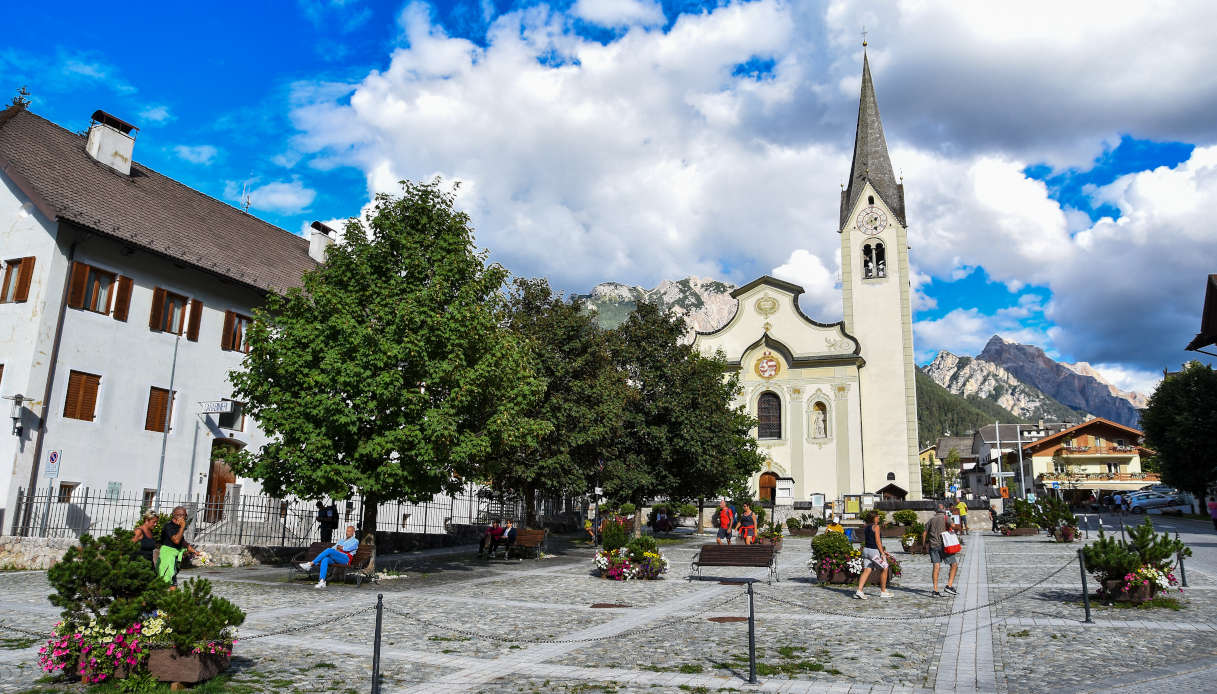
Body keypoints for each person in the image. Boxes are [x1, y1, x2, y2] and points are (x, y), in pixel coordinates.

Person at [854, 510, 894, 600]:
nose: (879, 517)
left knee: (867, 570)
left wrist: (883, 550)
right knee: (885, 567)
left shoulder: (866, 527)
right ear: (874, 518)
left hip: (866, 550)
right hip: (873, 552)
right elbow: (877, 541)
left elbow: (871, 540)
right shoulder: (876, 527)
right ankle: (883, 591)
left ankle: (859, 591)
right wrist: (882, 553)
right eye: (877, 516)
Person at [922, 504, 958, 598]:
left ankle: (935, 590)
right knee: (954, 564)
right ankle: (949, 586)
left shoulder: (931, 520)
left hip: (933, 545)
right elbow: (953, 526)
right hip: (945, 546)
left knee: (936, 566)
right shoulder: (946, 517)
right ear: (944, 510)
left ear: (936, 511)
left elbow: (924, 532)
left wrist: (924, 545)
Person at [159, 506, 200, 586]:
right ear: (174, 515)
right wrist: (182, 526)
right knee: (169, 581)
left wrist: (195, 551)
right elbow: (176, 540)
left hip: (174, 558)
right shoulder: (169, 526)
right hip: (167, 558)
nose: (183, 517)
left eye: (184, 515)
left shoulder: (178, 527)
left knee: (172, 581)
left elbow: (182, 541)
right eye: (180, 515)